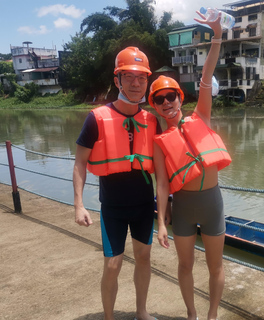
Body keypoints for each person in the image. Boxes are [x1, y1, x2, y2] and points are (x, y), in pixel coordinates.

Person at [73, 46, 166, 320]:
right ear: (117, 80)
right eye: (129, 77)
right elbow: (80, 163)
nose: (136, 83)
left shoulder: (151, 120)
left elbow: (161, 174)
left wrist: (162, 217)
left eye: (141, 78)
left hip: (142, 205)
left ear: (147, 82)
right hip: (112, 206)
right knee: (112, 265)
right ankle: (109, 317)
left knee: (144, 259)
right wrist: (78, 205)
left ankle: (141, 312)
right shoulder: (96, 118)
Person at [151, 11, 231, 320]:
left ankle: (211, 316)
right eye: (160, 99)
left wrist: (217, 34)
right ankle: (192, 315)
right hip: (182, 208)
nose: (167, 102)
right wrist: (160, 222)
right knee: (184, 266)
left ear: (179, 97)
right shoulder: (159, 141)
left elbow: (207, 74)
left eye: (171, 95)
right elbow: (160, 183)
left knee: (216, 266)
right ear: (154, 106)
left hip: (211, 203)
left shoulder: (201, 116)